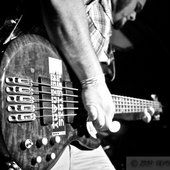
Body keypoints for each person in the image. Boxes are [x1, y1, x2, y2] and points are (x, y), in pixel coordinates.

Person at [39, 0, 152, 170]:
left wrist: (118, 110)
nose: (134, 16)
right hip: (40, 122)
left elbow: (81, 98)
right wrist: (94, 81)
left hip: (68, 136)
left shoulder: (107, 33)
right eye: (137, 6)